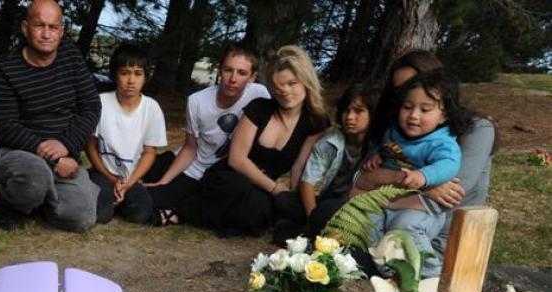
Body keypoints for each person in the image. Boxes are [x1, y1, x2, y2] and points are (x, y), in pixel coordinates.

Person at [362, 50, 496, 275]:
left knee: (403, 227)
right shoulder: (395, 130)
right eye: (402, 95)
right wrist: (384, 169)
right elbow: (361, 181)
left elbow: (448, 194)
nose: (413, 112)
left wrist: (419, 181)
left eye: (424, 106)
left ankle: (428, 278)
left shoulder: (466, 132)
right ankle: (387, 271)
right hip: (396, 210)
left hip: (439, 232)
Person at [174, 45, 330, 236]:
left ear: (306, 81)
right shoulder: (259, 107)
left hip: (261, 189)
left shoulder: (315, 122)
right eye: (278, 87)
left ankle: (214, 215)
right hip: (232, 176)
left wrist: (291, 199)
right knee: (237, 188)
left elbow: (298, 167)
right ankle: (185, 212)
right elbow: (236, 159)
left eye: (292, 83)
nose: (285, 92)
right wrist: (274, 188)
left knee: (260, 211)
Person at [0, 0, 101, 232]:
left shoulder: (71, 57)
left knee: (82, 218)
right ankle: (14, 204)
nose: (47, 34)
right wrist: (54, 158)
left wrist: (67, 145)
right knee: (36, 175)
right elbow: (7, 126)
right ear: (25, 27)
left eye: (53, 27)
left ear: (61, 31)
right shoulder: (5, 68)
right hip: (18, 153)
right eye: (40, 25)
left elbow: (91, 107)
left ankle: (38, 201)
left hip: (64, 152)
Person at [144, 44, 269, 221]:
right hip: (196, 166)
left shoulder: (260, 95)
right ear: (219, 71)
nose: (233, 79)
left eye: (242, 73)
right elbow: (190, 149)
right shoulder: (197, 101)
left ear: (252, 77)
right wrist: (164, 182)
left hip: (224, 173)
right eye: (228, 70)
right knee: (152, 194)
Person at [271, 83, 379, 243]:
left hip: (353, 204)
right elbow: (307, 182)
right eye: (346, 111)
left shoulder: (379, 148)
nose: (349, 117)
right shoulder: (330, 142)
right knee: (284, 201)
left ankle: (306, 232)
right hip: (325, 202)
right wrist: (313, 218)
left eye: (358, 111)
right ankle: (312, 230)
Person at [85, 44, 167, 225]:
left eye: (138, 73)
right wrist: (110, 177)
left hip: (131, 178)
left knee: (141, 214)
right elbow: (91, 146)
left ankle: (119, 199)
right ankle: (107, 198)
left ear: (145, 77)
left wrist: (129, 182)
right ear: (115, 74)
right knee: (101, 215)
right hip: (103, 173)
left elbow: (149, 152)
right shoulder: (101, 103)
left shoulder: (151, 108)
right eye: (125, 73)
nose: (131, 80)